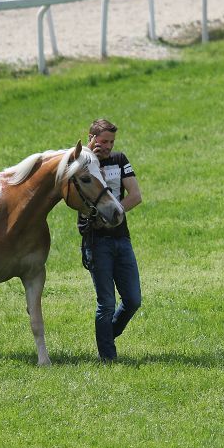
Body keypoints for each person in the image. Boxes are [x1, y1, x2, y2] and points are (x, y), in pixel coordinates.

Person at [79, 118, 143, 362]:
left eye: (111, 142)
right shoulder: (82, 164)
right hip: (96, 242)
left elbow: (135, 195)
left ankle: (106, 336)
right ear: (91, 139)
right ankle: (108, 358)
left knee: (133, 300)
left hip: (121, 238)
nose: (107, 146)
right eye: (103, 141)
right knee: (106, 303)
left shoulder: (119, 159)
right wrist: (90, 160)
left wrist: (113, 214)